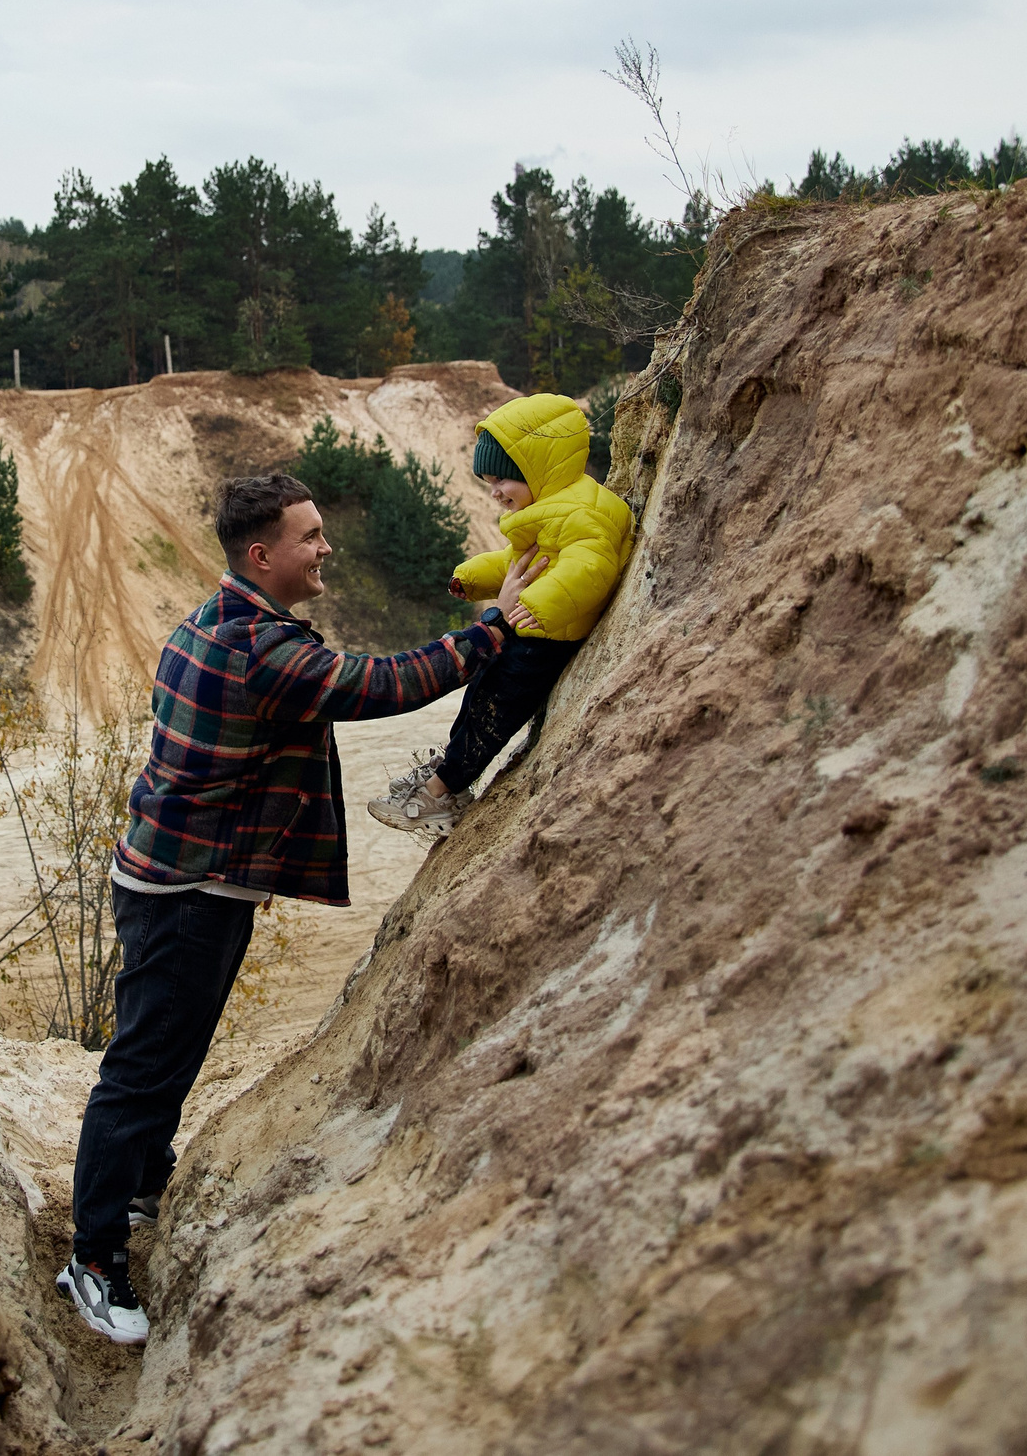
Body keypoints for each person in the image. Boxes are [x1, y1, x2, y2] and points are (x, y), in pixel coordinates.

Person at [56, 472, 548, 1345]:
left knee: (166, 1051)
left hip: (176, 877)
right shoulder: (262, 649)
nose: (326, 547)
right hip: (189, 889)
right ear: (262, 554)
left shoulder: (217, 618)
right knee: (143, 1067)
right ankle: (92, 1258)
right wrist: (493, 630)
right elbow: (377, 684)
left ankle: (138, 1183)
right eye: (310, 535)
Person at [367, 392, 633, 839]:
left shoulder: (584, 512)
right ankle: (447, 773)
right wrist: (472, 578)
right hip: (534, 629)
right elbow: (515, 563)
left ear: (539, 469)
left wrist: (535, 604)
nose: (494, 492)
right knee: (480, 691)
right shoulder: (552, 508)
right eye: (488, 481)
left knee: (496, 706)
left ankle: (441, 791)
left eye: (502, 479)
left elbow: (590, 568)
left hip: (547, 638)